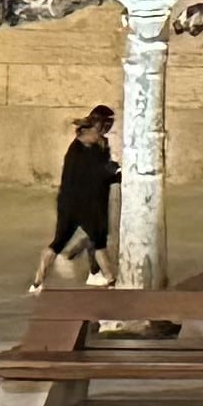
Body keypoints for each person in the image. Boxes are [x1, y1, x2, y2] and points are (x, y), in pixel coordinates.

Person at [30, 105, 121, 290]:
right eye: (105, 126)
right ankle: (110, 280)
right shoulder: (82, 149)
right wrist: (114, 173)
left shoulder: (96, 144)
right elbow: (97, 174)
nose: (104, 133)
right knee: (89, 241)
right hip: (79, 203)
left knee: (91, 241)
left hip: (82, 202)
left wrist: (113, 172)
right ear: (99, 126)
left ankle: (100, 277)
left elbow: (103, 170)